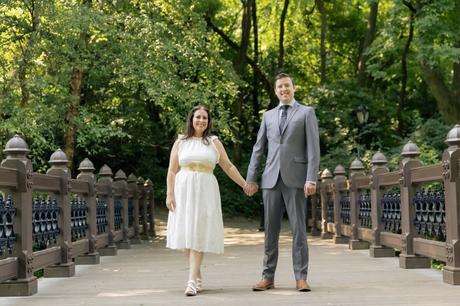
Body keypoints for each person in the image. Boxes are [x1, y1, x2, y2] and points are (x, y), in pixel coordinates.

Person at [244, 73, 320, 292]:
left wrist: (311, 178)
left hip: (296, 179)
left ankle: (301, 277)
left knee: (298, 230)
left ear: (293, 88)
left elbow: (313, 149)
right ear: (276, 91)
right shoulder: (268, 116)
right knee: (270, 231)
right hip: (270, 179)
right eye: (280, 87)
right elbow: (258, 149)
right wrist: (251, 177)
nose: (284, 89)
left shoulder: (306, 112)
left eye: (287, 85)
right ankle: (267, 277)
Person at [165, 105, 248, 296]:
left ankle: (192, 281)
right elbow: (171, 170)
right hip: (183, 188)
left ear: (208, 121)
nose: (201, 121)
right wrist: (170, 193)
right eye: (198, 117)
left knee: (198, 232)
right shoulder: (181, 142)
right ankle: (198, 275)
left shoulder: (213, 142)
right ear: (191, 119)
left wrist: (244, 184)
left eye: (205, 118)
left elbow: (228, 166)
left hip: (205, 189)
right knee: (187, 234)